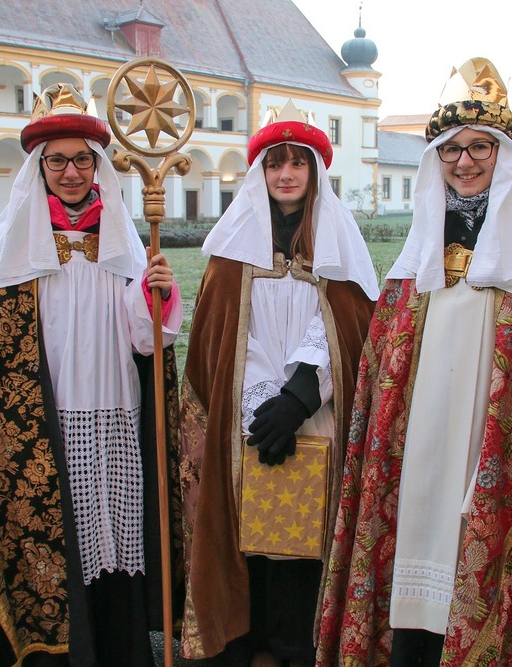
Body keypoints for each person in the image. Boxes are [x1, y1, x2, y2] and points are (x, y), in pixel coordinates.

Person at [318, 58, 512, 666]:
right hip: (422, 443)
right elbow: (384, 365)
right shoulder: (417, 256)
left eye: (481, 146)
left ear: (505, 156)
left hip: (497, 443)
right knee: (420, 546)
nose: (465, 161)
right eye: (452, 149)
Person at [0, 83, 184, 667]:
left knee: (113, 530)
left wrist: (160, 294)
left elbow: (146, 341)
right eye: (57, 161)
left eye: (81, 160)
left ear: (97, 165)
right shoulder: (14, 249)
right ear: (40, 167)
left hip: (114, 410)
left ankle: (119, 647)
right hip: (43, 422)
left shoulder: (121, 240)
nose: (71, 172)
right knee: (53, 536)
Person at [178, 102, 379, 667]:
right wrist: (263, 404)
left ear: (314, 171)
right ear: (259, 173)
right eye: (274, 164)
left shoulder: (338, 246)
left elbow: (348, 327)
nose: (286, 174)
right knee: (248, 524)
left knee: (309, 529)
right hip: (248, 417)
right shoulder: (230, 254)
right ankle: (249, 640)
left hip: (318, 410)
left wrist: (298, 397)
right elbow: (225, 340)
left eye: (297, 163)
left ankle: (301, 644)